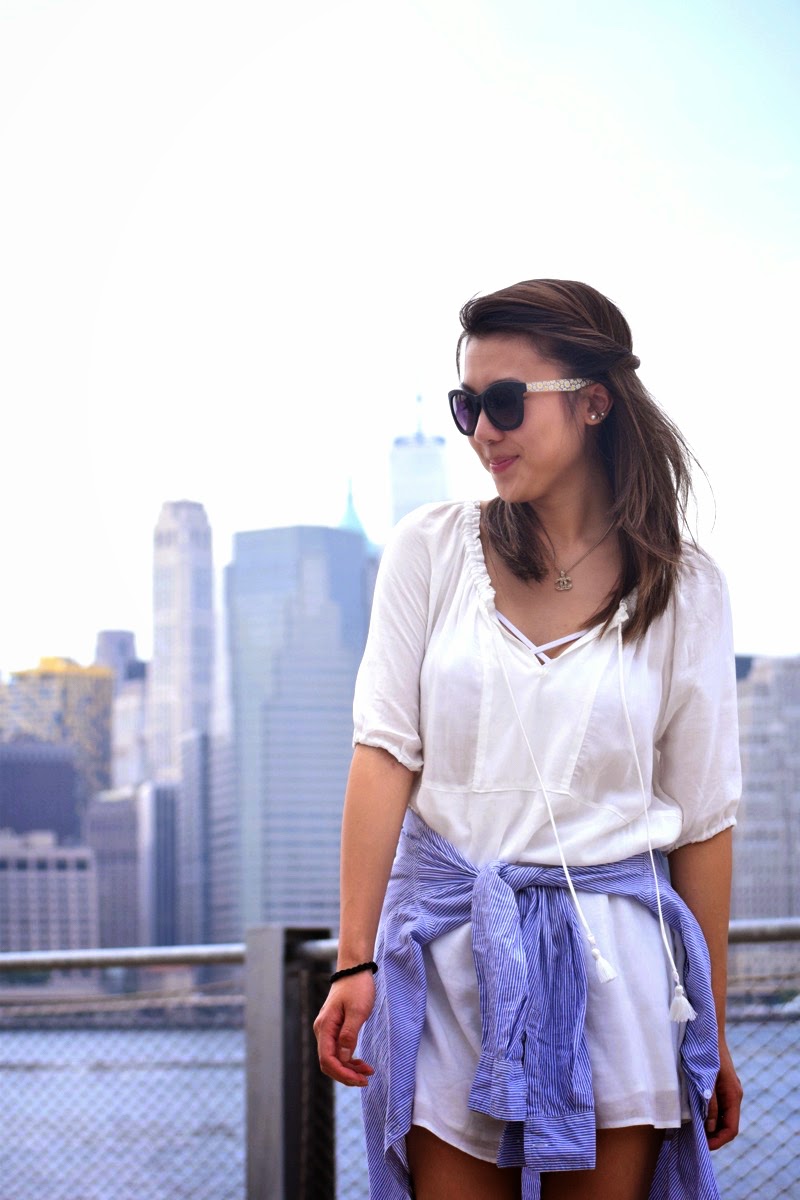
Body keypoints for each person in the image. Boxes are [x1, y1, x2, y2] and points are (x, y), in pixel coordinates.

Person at [314, 278, 743, 1200]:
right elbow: (383, 753)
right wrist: (354, 958)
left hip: (621, 973)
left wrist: (709, 1030)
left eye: (505, 402)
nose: (481, 431)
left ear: (594, 402)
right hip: (451, 960)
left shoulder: (688, 587)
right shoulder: (428, 549)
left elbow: (704, 820)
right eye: (466, 406)